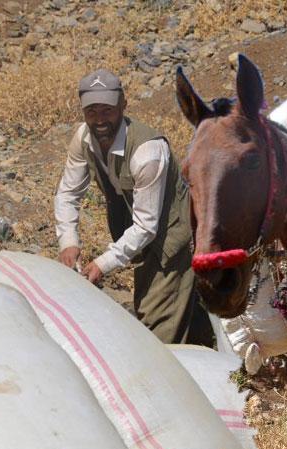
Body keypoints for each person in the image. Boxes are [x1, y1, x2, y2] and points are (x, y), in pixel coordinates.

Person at [54, 68, 213, 346]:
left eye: (107, 110)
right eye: (92, 112)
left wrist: (102, 264)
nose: (100, 120)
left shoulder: (147, 152)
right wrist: (68, 241)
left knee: (157, 330)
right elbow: (67, 192)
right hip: (139, 240)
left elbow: (146, 226)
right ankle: (204, 354)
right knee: (179, 312)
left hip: (170, 240)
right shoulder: (83, 138)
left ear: (123, 105)